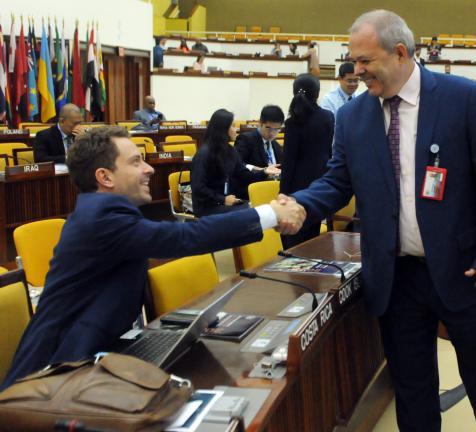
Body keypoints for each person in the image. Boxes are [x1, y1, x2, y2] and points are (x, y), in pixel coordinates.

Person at [282, 10, 476, 431]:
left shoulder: (463, 98)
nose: (356, 71)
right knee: (412, 389)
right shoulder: (352, 116)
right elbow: (338, 180)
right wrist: (300, 205)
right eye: (353, 61)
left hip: (465, 271)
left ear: (401, 53)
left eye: (365, 61)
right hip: (397, 277)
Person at [0, 126, 305, 390]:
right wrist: (269, 213)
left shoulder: (107, 211)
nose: (148, 169)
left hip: (99, 358)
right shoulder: (101, 218)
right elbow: (186, 237)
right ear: (105, 176)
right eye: (136, 162)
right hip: (57, 376)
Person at [191, 109, 281, 216]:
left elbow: (244, 175)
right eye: (232, 126)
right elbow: (198, 188)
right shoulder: (204, 153)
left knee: (259, 208)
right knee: (251, 214)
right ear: (223, 129)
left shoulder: (230, 150)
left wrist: (264, 172)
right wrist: (222, 199)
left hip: (226, 201)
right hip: (207, 206)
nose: (236, 130)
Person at [280, 74, 334, 249]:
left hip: (297, 187)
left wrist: (283, 192)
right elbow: (330, 152)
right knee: (312, 237)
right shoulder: (327, 117)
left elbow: (289, 161)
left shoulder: (292, 122)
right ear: (317, 94)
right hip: (320, 184)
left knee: (294, 239)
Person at [235, 104, 285, 170]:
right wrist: (261, 170)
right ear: (260, 123)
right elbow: (237, 163)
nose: (272, 133)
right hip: (254, 179)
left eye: (276, 129)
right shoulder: (246, 139)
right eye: (268, 128)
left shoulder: (276, 146)